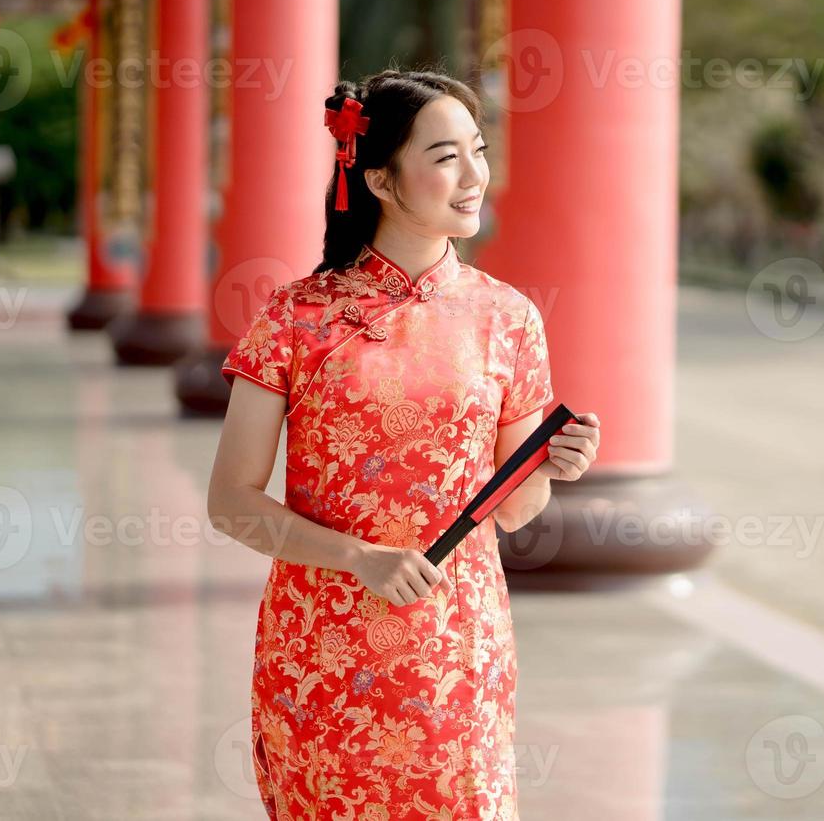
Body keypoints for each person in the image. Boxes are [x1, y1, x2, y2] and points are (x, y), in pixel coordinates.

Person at [206, 68, 601, 820]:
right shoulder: (298, 317)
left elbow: (517, 513)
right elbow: (231, 503)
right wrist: (358, 557)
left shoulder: (508, 319)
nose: (475, 175)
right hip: (323, 651)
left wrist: (556, 465)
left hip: (456, 647)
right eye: (447, 155)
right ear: (381, 179)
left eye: (478, 150)